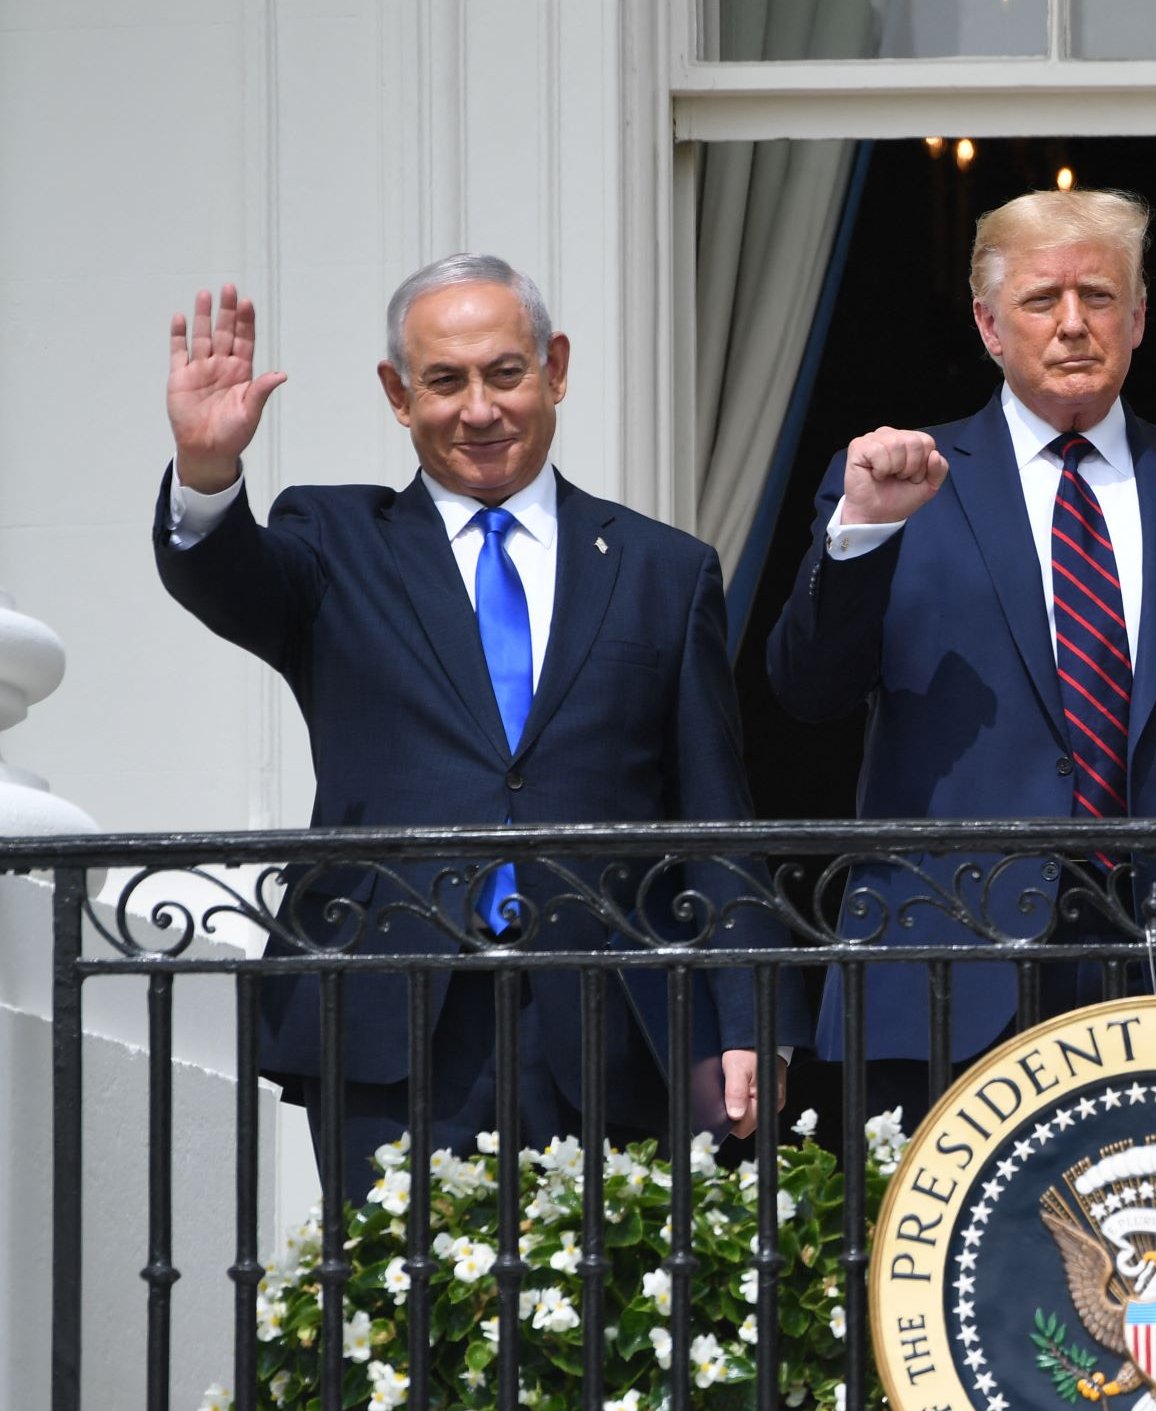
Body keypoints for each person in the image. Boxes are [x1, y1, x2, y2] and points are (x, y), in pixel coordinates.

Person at [156, 258, 796, 1182]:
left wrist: (751, 1017)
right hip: (388, 1011)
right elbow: (227, 580)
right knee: (393, 1314)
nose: (479, 409)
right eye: (445, 381)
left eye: (505, 373)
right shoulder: (336, 543)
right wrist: (208, 470)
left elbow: (713, 811)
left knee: (607, 1316)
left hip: (610, 1017)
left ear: (555, 369)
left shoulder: (662, 568)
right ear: (398, 394)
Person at [764, 188, 1156, 1123]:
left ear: (1138, 317)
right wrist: (860, 534)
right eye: (1041, 300)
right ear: (988, 324)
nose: (1073, 324)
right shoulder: (901, 480)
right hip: (944, 973)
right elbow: (806, 691)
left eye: (1099, 297)